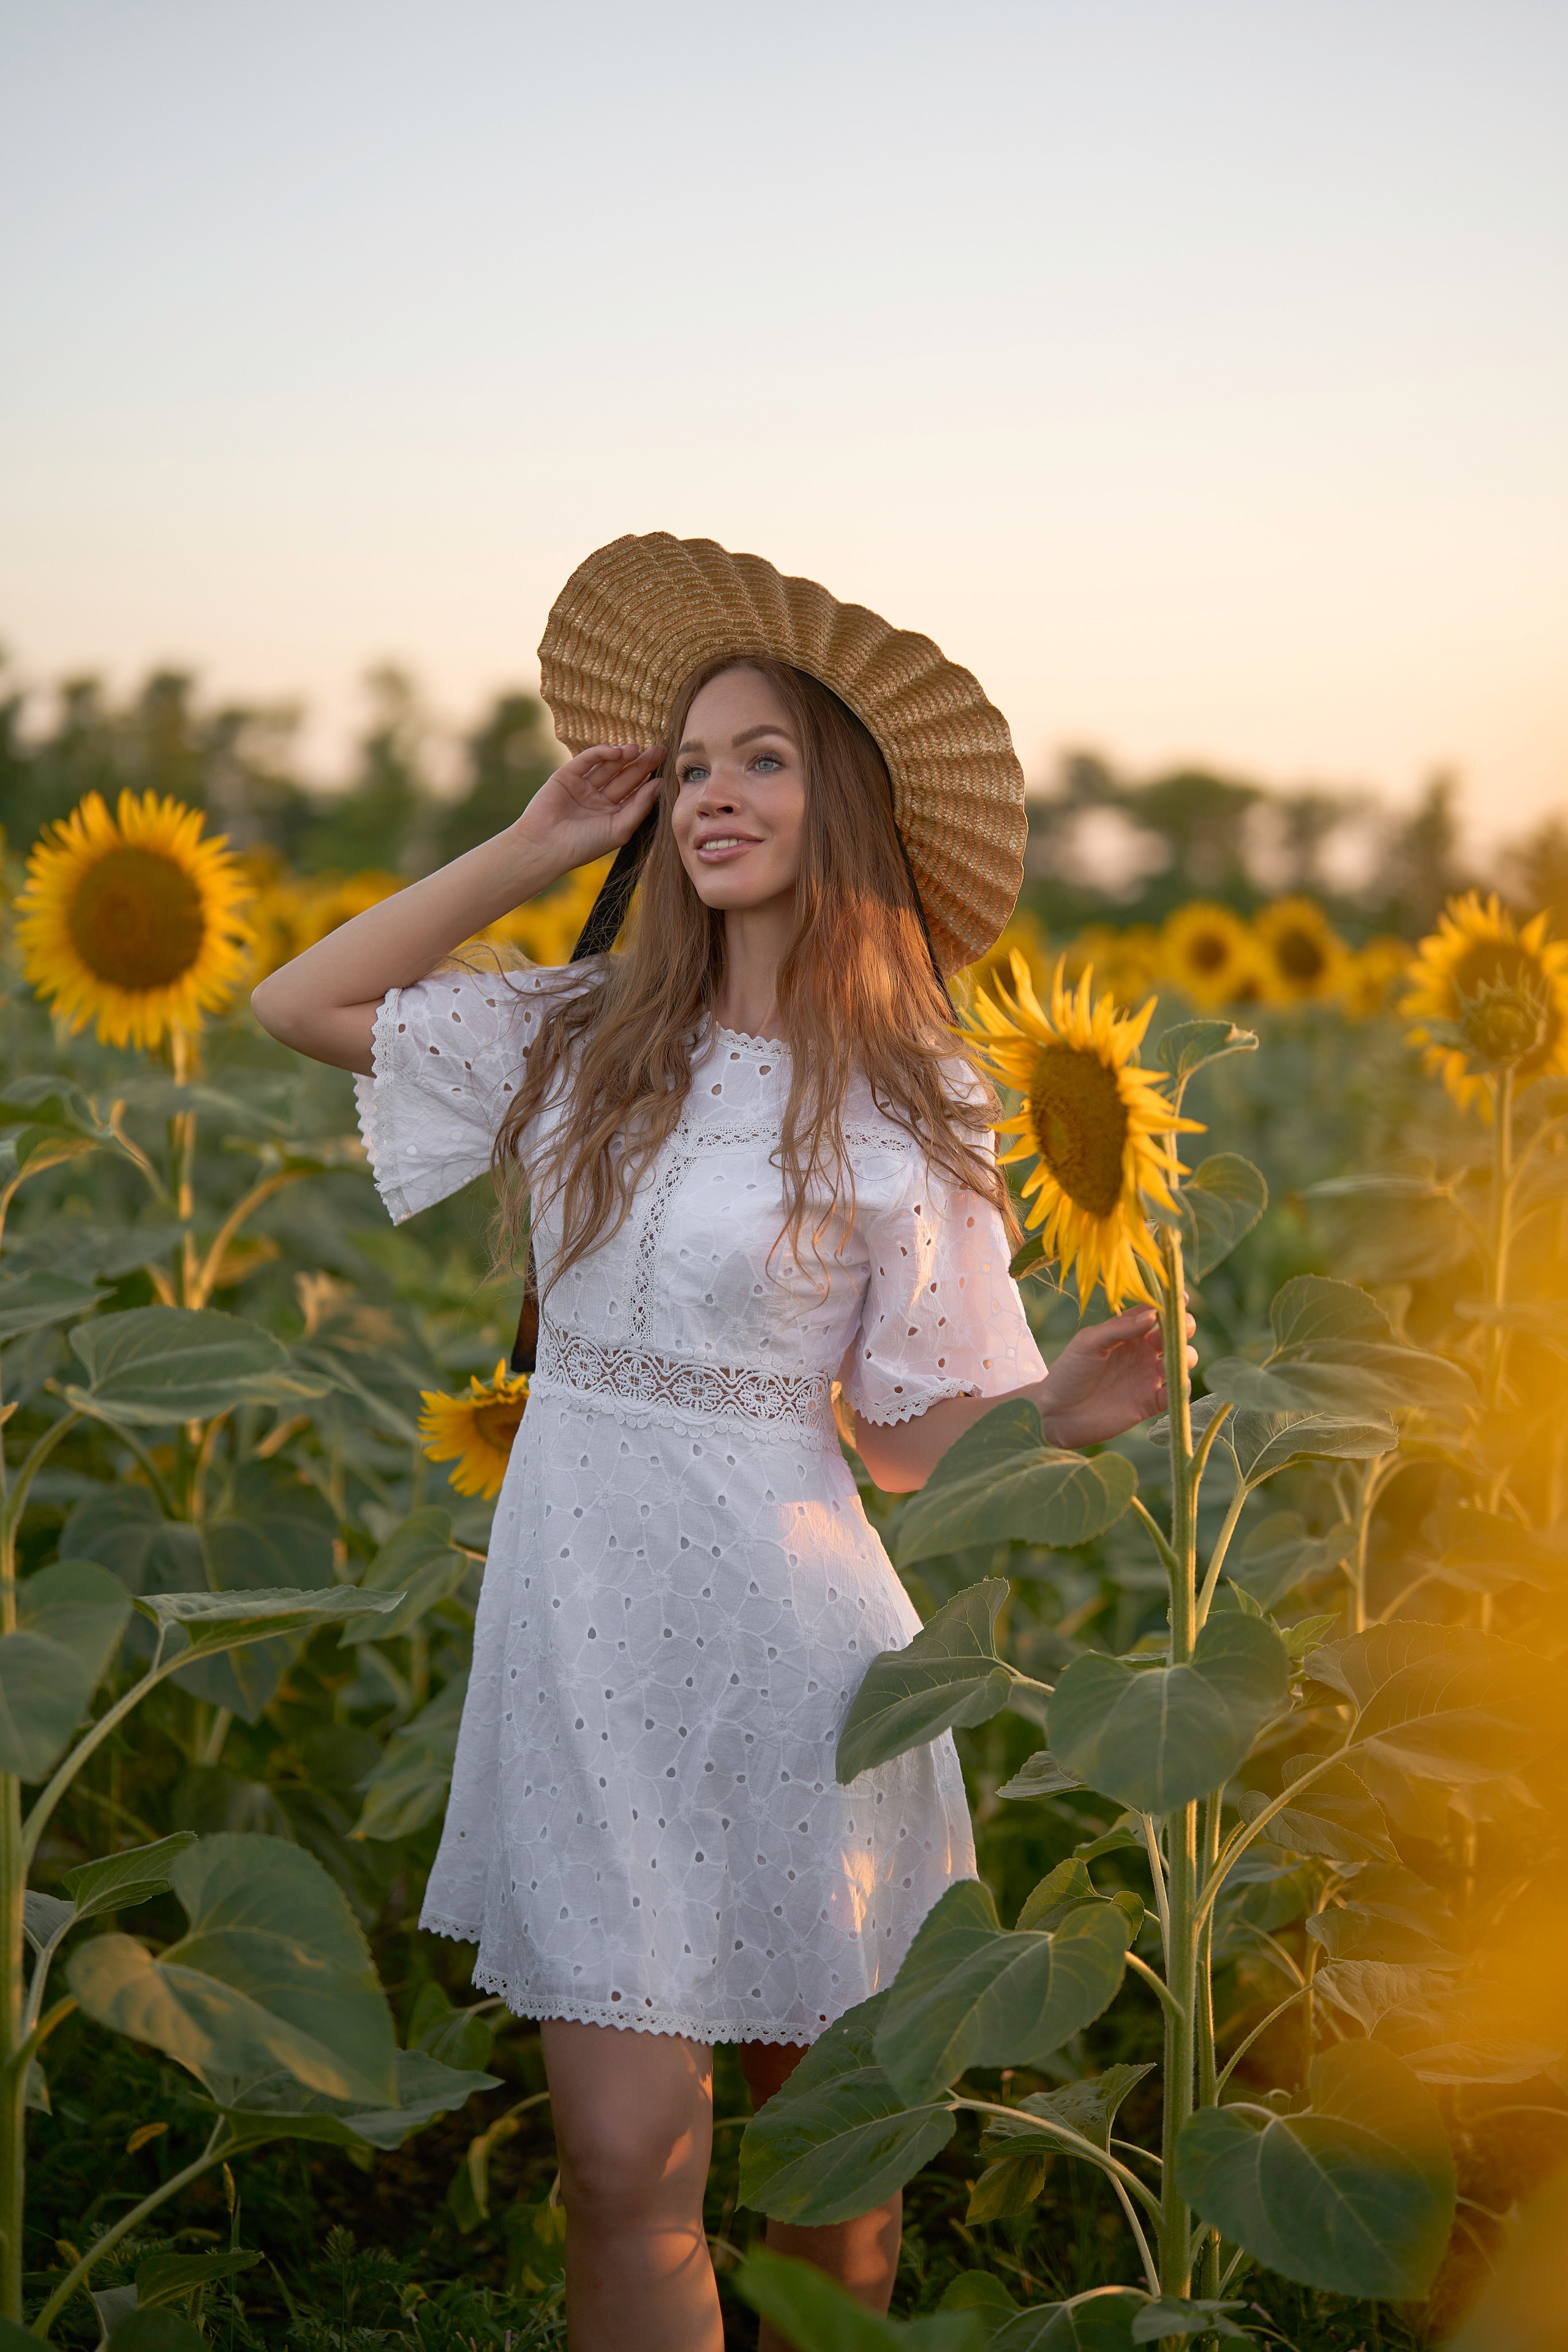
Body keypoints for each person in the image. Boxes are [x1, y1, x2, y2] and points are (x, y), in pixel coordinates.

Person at [253, 534, 1185, 2352]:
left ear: (844, 807)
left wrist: (1057, 1412)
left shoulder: (917, 1096)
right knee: (621, 2163)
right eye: (690, 764)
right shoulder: (585, 1034)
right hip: (585, 1628)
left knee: (829, 2170)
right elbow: (299, 1006)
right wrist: (535, 849)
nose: (713, 794)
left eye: (763, 758)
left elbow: (908, 1452)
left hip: (799, 1641)